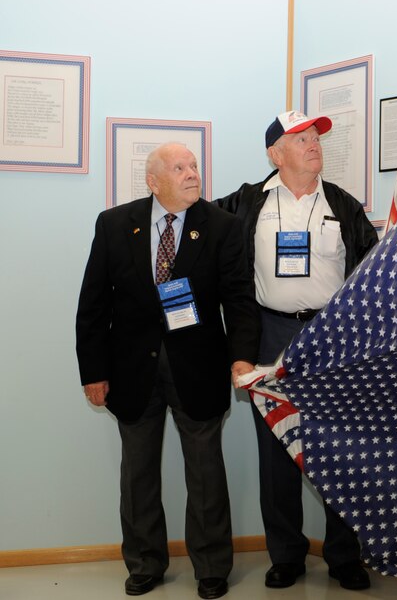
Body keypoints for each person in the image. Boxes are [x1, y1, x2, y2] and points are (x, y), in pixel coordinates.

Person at [76, 143, 259, 599]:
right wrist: (93, 371)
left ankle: (212, 567)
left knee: (205, 472)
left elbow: (238, 299)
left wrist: (242, 357)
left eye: (194, 165)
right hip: (131, 370)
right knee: (136, 472)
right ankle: (144, 563)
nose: (192, 173)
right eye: (179, 168)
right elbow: (93, 305)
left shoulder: (222, 227)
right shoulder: (115, 223)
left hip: (197, 368)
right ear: (153, 181)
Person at [217, 110, 379, 591]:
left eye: (315, 137)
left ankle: (344, 556)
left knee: (341, 450)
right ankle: (285, 554)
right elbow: (201, 242)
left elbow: (372, 274)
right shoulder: (246, 203)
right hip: (268, 335)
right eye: (301, 138)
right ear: (275, 153)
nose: (313, 145)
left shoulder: (344, 205)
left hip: (331, 340)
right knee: (276, 453)